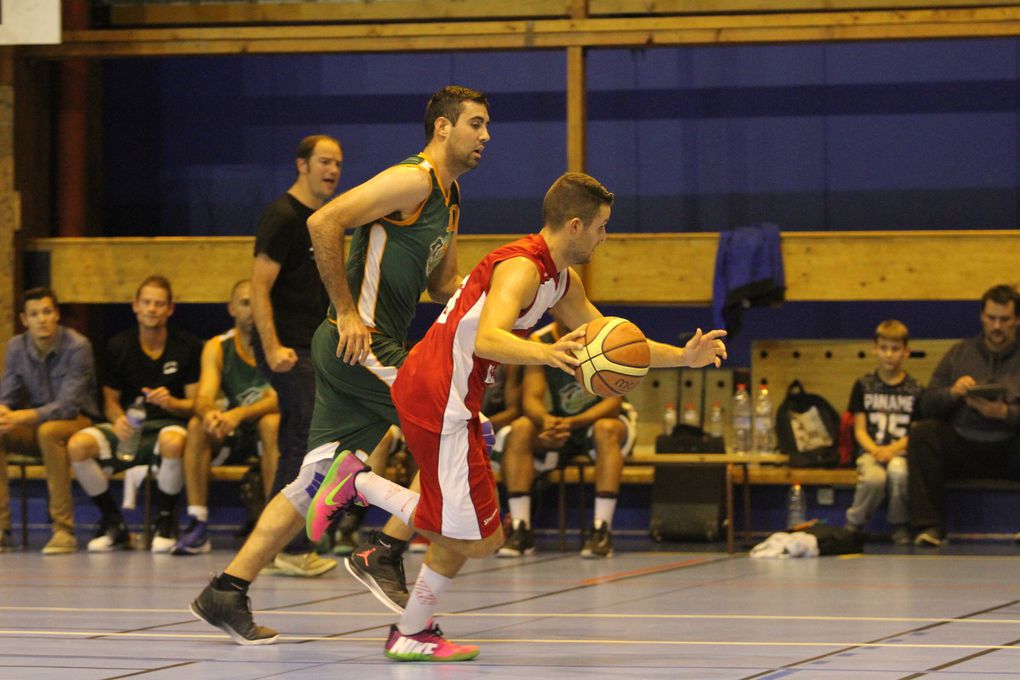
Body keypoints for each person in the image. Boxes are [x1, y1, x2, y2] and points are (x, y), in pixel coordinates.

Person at [306, 172, 727, 661]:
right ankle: (356, 484)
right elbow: (488, 338)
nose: (605, 237)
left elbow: (609, 340)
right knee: (477, 539)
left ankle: (411, 630)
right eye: (602, 226)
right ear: (575, 225)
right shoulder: (522, 268)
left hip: (454, 395)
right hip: (438, 391)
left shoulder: (560, 279)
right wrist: (546, 355)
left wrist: (683, 356)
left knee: (477, 534)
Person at [189, 85, 491, 645]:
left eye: (486, 125)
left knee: (314, 479)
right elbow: (323, 222)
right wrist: (348, 312)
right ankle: (386, 550)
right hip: (362, 345)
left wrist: (501, 313)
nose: (486, 136)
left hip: (360, 352)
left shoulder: (448, 200)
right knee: (464, 424)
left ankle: (227, 589)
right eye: (476, 123)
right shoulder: (413, 179)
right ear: (444, 128)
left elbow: (444, 284)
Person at [249, 133, 343, 576]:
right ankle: (285, 547)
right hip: (286, 346)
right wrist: (271, 347)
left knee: (307, 439)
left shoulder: (324, 219)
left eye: (338, 164)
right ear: (301, 165)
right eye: (324, 161)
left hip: (315, 345)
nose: (332, 170)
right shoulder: (283, 217)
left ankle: (271, 545)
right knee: (305, 438)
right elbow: (258, 288)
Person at [67, 276, 202, 552]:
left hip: (169, 425)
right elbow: (109, 399)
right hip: (130, 426)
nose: (152, 309)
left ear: (170, 309)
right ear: (135, 306)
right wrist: (117, 418)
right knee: (78, 445)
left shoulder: (186, 345)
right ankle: (113, 522)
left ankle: (164, 522)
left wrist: (172, 402)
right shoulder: (120, 345)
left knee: (174, 442)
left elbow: (195, 405)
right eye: (147, 303)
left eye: (159, 304)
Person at [497, 318, 637, 559]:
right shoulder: (541, 341)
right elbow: (531, 398)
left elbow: (613, 403)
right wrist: (547, 421)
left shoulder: (606, 335)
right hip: (563, 421)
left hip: (603, 421)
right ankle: (521, 528)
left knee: (606, 429)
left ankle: (601, 529)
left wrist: (573, 423)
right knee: (520, 428)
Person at [172, 280, 280, 555]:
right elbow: (204, 396)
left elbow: (279, 399)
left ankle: (272, 527)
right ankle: (197, 523)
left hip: (277, 432)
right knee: (198, 425)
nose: (252, 310)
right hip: (237, 432)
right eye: (245, 303)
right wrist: (211, 415)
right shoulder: (217, 347)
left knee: (271, 423)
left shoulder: (279, 344)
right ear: (231, 309)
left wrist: (238, 413)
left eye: (257, 303)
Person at [908, 284, 1020, 547]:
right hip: (963, 447)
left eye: (1004, 320)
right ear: (982, 317)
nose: (997, 326)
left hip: (1010, 448)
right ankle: (930, 528)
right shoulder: (959, 353)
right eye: (991, 318)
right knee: (924, 433)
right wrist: (952, 393)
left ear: (1016, 320)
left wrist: (1006, 413)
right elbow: (925, 404)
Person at [0, 288, 100, 554]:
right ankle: (2, 530)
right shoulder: (16, 347)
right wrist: (3, 413)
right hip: (38, 425)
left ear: (56, 315)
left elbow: (68, 406)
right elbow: (7, 395)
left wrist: (21, 416)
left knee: (49, 431)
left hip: (80, 422)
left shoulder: (78, 346)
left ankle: (63, 530)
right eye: (34, 314)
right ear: (24, 319)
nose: (42, 319)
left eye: (47, 312)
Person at [843, 320, 922, 546]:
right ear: (874, 348)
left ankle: (899, 524)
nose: (889, 354)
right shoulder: (863, 385)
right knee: (874, 478)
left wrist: (892, 450)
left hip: (900, 452)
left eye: (895, 349)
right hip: (871, 451)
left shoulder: (915, 389)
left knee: (899, 473)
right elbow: (859, 429)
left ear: (906, 352)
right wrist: (876, 450)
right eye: (884, 348)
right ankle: (854, 524)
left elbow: (914, 432)